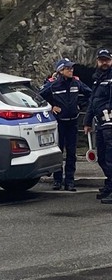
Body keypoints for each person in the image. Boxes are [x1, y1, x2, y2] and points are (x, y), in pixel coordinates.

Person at [40, 58, 92, 191]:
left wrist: (81, 104)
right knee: (59, 152)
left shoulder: (76, 82)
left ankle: (70, 181)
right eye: (68, 68)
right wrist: (51, 107)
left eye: (72, 68)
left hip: (73, 123)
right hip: (59, 124)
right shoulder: (53, 85)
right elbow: (38, 98)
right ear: (60, 70)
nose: (71, 70)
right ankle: (57, 180)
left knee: (71, 153)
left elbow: (90, 94)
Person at [83, 49, 112, 203]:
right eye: (101, 60)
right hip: (101, 122)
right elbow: (92, 102)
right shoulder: (97, 79)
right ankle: (110, 184)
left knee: (110, 157)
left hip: (110, 122)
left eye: (106, 60)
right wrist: (87, 122)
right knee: (102, 157)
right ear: (97, 61)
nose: (104, 63)